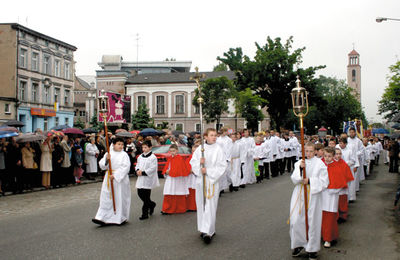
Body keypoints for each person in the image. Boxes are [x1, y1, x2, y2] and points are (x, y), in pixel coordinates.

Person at [289, 142, 329, 260]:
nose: (309, 153)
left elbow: (324, 181)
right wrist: (301, 170)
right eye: (306, 151)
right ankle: (298, 244)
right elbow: (294, 179)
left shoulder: (320, 164)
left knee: (313, 220)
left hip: (313, 194)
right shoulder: (299, 163)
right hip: (300, 193)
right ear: (304, 151)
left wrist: (310, 181)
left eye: (311, 151)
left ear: (315, 151)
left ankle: (312, 248)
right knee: (296, 220)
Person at [190, 128, 227, 244]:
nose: (214, 137)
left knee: (210, 205)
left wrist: (209, 171)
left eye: (215, 135)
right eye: (212, 135)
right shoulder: (200, 149)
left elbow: (222, 166)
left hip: (212, 182)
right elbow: (193, 162)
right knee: (201, 204)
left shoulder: (218, 149)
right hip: (201, 181)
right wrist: (200, 165)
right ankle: (202, 228)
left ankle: (209, 231)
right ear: (205, 137)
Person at [92, 137, 131, 226]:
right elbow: (102, 165)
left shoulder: (124, 155)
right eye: (118, 144)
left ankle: (119, 217)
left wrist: (116, 175)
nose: (121, 146)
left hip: (119, 180)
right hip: (109, 178)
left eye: (122, 144)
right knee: (106, 197)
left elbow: (126, 167)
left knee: (119, 198)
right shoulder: (108, 154)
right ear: (113, 145)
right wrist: (106, 160)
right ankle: (102, 217)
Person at [321, 147, 349, 248]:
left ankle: (329, 238)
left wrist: (331, 189)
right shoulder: (321, 165)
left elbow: (340, 183)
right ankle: (323, 235)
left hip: (331, 196)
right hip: (321, 195)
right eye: (325, 156)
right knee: (321, 217)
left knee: (330, 218)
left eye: (329, 156)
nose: (327, 158)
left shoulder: (336, 166)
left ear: (333, 157)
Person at [161, 144, 190, 214]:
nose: (172, 152)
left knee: (177, 193)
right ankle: (168, 209)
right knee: (169, 193)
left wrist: (170, 172)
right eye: (170, 151)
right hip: (170, 179)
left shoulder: (179, 158)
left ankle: (179, 209)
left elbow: (180, 170)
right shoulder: (170, 158)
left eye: (173, 151)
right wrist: (166, 172)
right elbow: (167, 167)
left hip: (178, 180)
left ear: (177, 151)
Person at [135, 140, 159, 220]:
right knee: (140, 193)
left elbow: (153, 168)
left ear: (150, 147)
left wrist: (144, 172)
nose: (143, 149)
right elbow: (137, 164)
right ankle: (152, 204)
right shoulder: (140, 156)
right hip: (141, 178)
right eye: (143, 147)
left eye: (145, 147)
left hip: (148, 178)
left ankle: (144, 214)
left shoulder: (153, 157)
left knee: (146, 196)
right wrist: (137, 170)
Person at [334, 148, 354, 223]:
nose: (338, 155)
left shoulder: (343, 163)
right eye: (336, 154)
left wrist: (344, 184)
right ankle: (336, 216)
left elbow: (347, 175)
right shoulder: (332, 163)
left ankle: (343, 216)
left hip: (342, 187)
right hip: (335, 187)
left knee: (342, 203)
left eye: (340, 154)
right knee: (335, 203)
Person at [337, 137, 358, 202]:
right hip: (339, 170)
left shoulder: (349, 151)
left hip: (347, 169)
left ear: (345, 144)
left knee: (348, 185)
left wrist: (346, 164)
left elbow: (353, 160)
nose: (340, 144)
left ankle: (349, 199)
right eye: (339, 143)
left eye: (341, 143)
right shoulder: (337, 150)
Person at [216, 128, 233, 193]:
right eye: (223, 131)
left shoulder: (229, 140)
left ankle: (230, 183)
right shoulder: (218, 139)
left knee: (228, 173)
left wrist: (227, 158)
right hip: (219, 159)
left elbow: (229, 149)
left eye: (226, 131)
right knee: (221, 174)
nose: (225, 133)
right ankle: (221, 188)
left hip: (226, 158)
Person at [186, 143, 199, 211]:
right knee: (190, 192)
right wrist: (189, 170)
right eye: (193, 151)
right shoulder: (189, 158)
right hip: (190, 177)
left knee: (197, 192)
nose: (194, 153)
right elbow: (186, 166)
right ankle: (190, 206)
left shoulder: (200, 158)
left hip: (197, 177)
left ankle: (197, 206)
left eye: (195, 151)